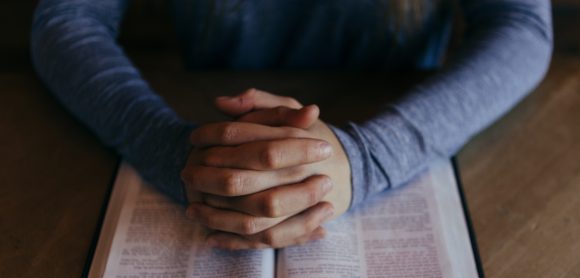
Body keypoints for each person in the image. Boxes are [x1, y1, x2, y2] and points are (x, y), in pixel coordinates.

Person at [30, 0, 552, 249]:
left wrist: (367, 158)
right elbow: (66, 21)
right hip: (209, 118)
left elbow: (522, 25)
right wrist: (182, 154)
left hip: (399, 114)